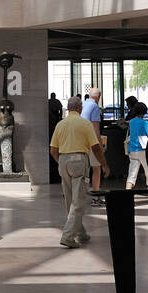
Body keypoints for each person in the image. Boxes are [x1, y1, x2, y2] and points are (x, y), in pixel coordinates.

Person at [50, 96, 109, 248]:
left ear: (68, 108)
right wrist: (104, 164)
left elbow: (53, 150)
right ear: (80, 107)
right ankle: (68, 236)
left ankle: (80, 233)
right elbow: (95, 147)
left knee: (70, 200)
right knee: (78, 201)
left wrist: (61, 162)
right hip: (79, 161)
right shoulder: (85, 124)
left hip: (63, 161)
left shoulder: (60, 124)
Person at [125, 99, 148, 203]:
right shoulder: (145, 123)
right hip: (143, 151)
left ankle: (127, 197)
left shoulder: (131, 122)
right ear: (144, 112)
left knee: (132, 174)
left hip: (132, 150)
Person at [82, 86, 104, 201]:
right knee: (96, 168)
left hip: (81, 142)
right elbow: (95, 128)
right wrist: (100, 145)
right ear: (98, 97)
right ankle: (96, 197)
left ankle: (81, 195)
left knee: (84, 170)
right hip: (91, 142)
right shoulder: (95, 107)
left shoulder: (82, 104)